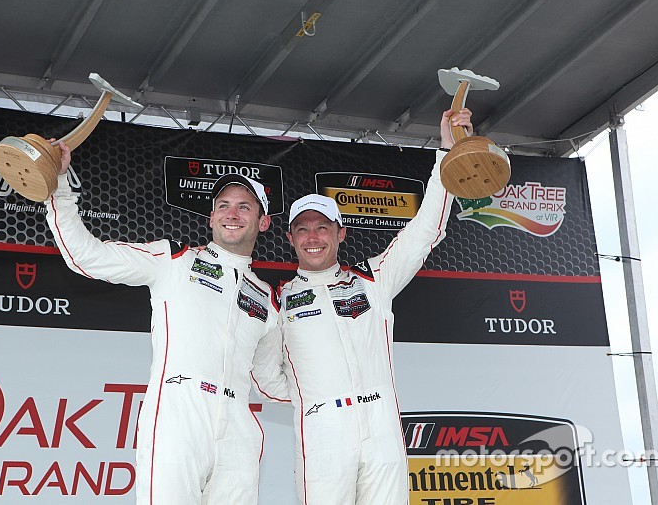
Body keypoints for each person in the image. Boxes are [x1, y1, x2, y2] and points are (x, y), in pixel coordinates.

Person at [44, 142, 288, 504]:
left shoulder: (267, 298)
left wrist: (333, 396)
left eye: (244, 207)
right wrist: (61, 186)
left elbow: (270, 383)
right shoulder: (173, 260)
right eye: (223, 206)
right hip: (179, 411)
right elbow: (86, 256)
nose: (231, 214)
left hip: (238, 422)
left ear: (262, 221)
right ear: (210, 217)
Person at [279, 108, 472, 504]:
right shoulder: (277, 300)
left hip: (381, 424)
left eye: (322, 227)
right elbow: (265, 372)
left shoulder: (373, 279)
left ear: (341, 233)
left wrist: (448, 153)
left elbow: (424, 232)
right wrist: (312, 397)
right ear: (290, 237)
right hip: (322, 431)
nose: (313, 236)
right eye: (303, 228)